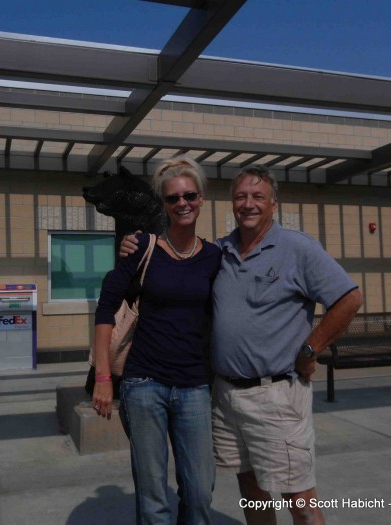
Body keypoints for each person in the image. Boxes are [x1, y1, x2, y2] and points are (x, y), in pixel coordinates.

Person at [121, 165, 362, 525]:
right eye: (240, 197)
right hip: (226, 396)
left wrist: (311, 349)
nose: (248, 204)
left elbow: (349, 299)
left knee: (298, 497)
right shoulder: (220, 252)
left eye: (258, 197)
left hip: (276, 395)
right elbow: (177, 260)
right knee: (251, 488)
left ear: (274, 204)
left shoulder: (297, 248)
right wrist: (138, 242)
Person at [92, 155, 221, 525]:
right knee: (153, 498)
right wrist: (103, 377)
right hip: (144, 383)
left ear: (201, 199)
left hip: (195, 386)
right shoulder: (143, 247)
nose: (182, 204)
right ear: (163, 204)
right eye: (173, 198)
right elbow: (105, 307)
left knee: (199, 493)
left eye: (189, 196)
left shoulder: (214, 256)